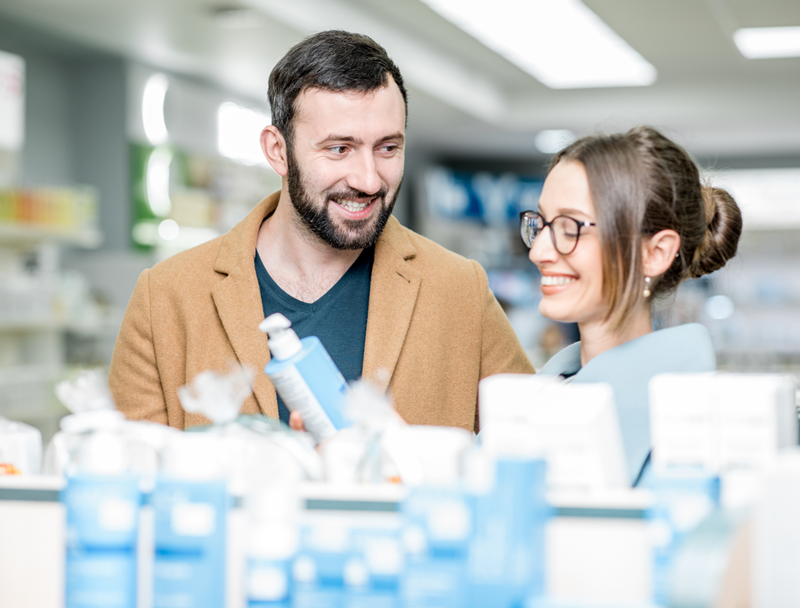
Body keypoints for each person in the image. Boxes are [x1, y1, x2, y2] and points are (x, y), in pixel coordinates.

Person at [108, 30, 533, 432]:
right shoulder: (166, 297)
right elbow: (126, 480)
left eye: (388, 148)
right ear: (279, 151)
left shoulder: (460, 290)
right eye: (339, 149)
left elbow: (543, 446)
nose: (368, 180)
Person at [520, 126, 742, 485]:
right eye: (542, 224)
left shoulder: (691, 430)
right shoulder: (548, 389)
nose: (539, 251)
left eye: (570, 226)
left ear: (654, 254)